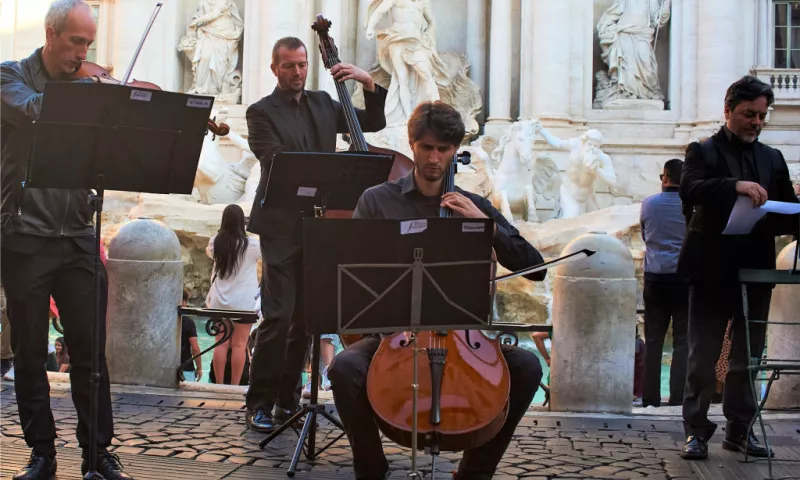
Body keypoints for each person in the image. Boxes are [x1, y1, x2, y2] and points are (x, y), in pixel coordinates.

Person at [328, 101, 546, 480]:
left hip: (464, 337)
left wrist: (486, 227)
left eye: (444, 149)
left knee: (527, 366)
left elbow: (535, 267)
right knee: (345, 368)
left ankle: (475, 472)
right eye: (426, 147)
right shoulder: (377, 201)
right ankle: (371, 466)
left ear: (454, 150)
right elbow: (352, 274)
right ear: (411, 144)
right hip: (394, 335)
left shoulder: (474, 205)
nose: (434, 158)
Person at [0, 1, 132, 478]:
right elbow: (39, 114)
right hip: (25, 237)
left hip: (78, 235)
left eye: (88, 45)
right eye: (76, 42)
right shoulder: (9, 78)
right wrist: (92, 96)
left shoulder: (84, 85)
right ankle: (42, 454)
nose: (83, 54)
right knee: (30, 354)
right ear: (51, 34)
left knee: (91, 354)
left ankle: (97, 454)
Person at [243, 36, 388, 432]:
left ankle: (287, 399)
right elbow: (275, 160)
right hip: (280, 224)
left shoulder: (325, 103)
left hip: (320, 225)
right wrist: (331, 167)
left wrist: (366, 82)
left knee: (306, 319)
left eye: (303, 65)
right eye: (289, 66)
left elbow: (372, 123)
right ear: (275, 68)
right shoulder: (260, 112)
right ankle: (259, 400)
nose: (297, 72)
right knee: (279, 314)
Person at [678, 76, 800, 460]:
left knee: (749, 356)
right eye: (749, 114)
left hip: (754, 270)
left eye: (762, 116)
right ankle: (696, 432)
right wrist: (735, 186)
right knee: (702, 355)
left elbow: (780, 215)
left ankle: (740, 431)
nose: (756, 122)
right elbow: (690, 189)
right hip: (711, 267)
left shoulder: (773, 158)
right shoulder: (701, 151)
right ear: (728, 110)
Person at [640, 159, 689, 408]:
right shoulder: (692, 205)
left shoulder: (648, 203)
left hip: (655, 277)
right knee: (683, 340)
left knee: (654, 339)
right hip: (684, 278)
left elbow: (645, 235)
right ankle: (678, 398)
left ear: (665, 178)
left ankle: (650, 398)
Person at [205, 204, 260, 386]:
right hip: (244, 303)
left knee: (220, 343)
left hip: (220, 301)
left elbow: (209, 252)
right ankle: (235, 387)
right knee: (239, 345)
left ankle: (219, 384)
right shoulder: (251, 245)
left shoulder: (216, 243)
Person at [180, 290, 203, 382]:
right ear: (184, 303)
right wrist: (199, 368)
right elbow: (195, 348)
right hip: (186, 368)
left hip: (163, 368)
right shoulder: (189, 323)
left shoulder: (161, 322)